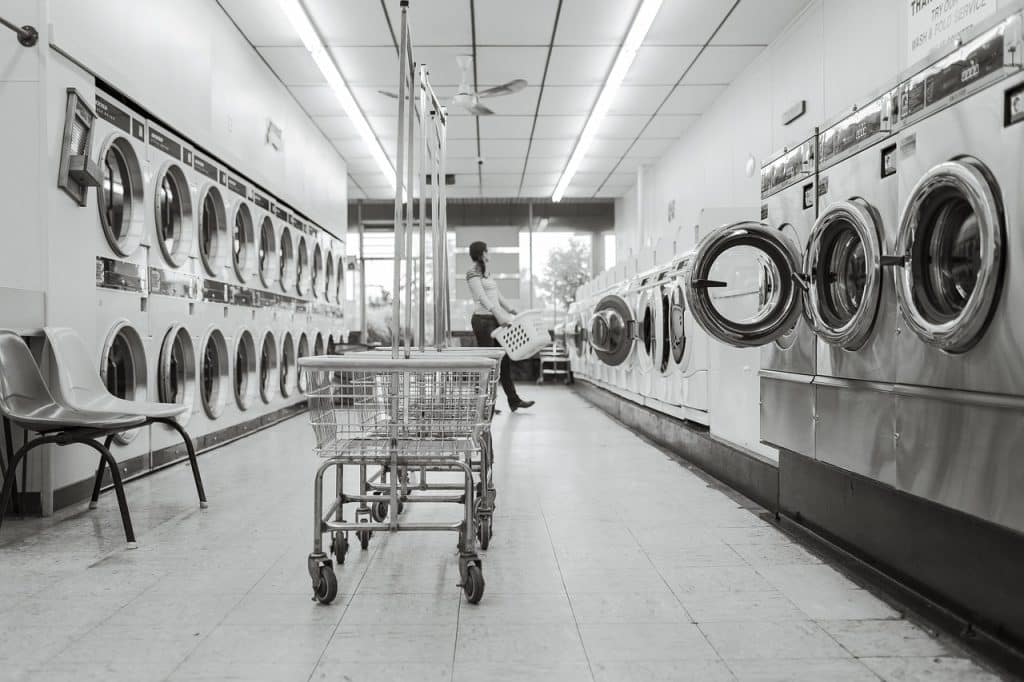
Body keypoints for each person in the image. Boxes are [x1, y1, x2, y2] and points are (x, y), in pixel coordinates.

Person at [466, 241, 534, 412]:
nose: (489, 253)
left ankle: (514, 400)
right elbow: (482, 297)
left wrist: (511, 310)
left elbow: (497, 296)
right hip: (482, 321)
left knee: (504, 362)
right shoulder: (472, 273)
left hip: (494, 320)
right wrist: (499, 315)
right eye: (487, 251)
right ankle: (485, 405)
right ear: (482, 253)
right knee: (488, 364)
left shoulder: (487, 274)